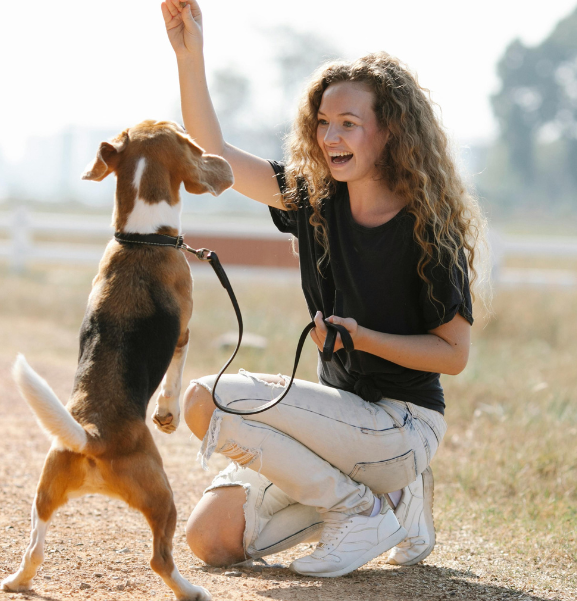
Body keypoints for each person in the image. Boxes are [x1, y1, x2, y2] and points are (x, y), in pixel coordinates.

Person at [160, 0, 486, 578]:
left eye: (349, 124)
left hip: (402, 425)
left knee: (205, 398)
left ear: (389, 133)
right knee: (210, 540)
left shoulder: (428, 230)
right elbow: (216, 155)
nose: (330, 135)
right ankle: (392, 505)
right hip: (339, 424)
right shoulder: (313, 200)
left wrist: (364, 338)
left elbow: (454, 356)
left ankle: (361, 507)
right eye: (323, 122)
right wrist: (191, 56)